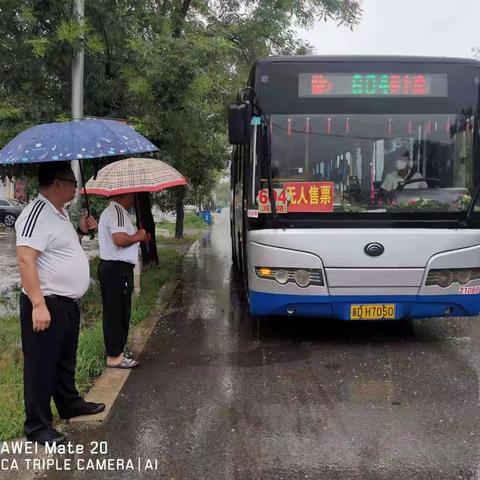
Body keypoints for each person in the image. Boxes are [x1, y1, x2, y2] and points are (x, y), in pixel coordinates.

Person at [15, 161, 105, 446]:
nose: (76, 188)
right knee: (41, 365)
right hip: (46, 303)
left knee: (64, 360)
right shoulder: (36, 213)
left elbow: (57, 251)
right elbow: (25, 258)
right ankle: (38, 425)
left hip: (66, 303)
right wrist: (38, 305)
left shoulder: (60, 212)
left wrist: (79, 231)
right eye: (72, 182)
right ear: (57, 183)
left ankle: (69, 404)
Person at [97, 193, 147, 369]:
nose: (134, 197)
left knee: (119, 311)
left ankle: (117, 351)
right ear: (124, 194)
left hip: (117, 270)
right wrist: (139, 236)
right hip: (116, 270)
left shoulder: (117, 212)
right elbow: (119, 240)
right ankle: (114, 356)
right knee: (116, 313)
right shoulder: (116, 212)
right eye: (132, 194)